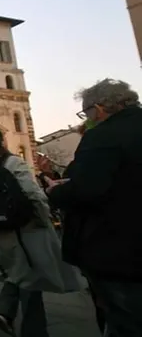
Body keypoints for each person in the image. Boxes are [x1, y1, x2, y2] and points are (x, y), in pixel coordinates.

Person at [46, 79, 142, 336]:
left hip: (118, 248)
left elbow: (87, 189)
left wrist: (57, 191)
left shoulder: (103, 136)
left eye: (86, 113)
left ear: (98, 109)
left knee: (125, 320)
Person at [0, 129, 80, 337]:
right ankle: (32, 328)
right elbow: (32, 194)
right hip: (24, 226)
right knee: (31, 274)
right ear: (1, 142)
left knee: (17, 270)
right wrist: (44, 213)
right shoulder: (11, 162)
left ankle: (7, 310)